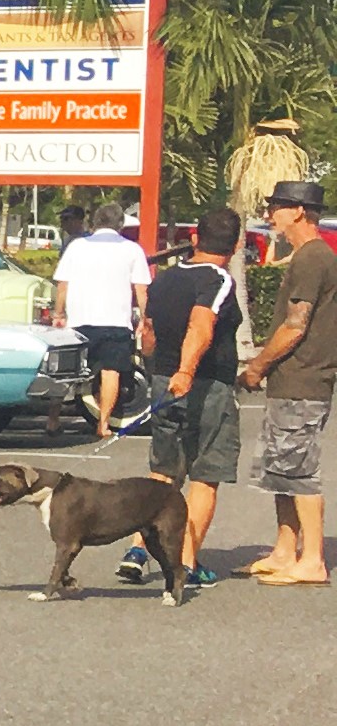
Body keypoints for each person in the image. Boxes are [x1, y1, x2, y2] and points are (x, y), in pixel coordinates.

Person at [130, 206, 247, 597]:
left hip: (162, 379)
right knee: (204, 474)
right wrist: (186, 371)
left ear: (195, 238)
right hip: (204, 383)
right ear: (233, 246)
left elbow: (146, 331)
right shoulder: (217, 279)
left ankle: (137, 549)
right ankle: (186, 561)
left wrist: (159, 370)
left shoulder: (164, 280)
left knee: (164, 471)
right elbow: (202, 324)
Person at [241, 177, 336, 584]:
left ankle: (312, 559)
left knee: (299, 471)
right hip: (291, 380)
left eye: (277, 207)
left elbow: (295, 325)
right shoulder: (303, 255)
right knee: (280, 468)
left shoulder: (313, 257)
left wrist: (258, 364)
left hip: (304, 379)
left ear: (298, 210)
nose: (270, 215)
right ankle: (285, 550)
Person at [52, 200, 150, 436]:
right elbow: (141, 289)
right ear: (120, 224)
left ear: (95, 222)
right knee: (111, 371)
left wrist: (58, 314)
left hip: (79, 320)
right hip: (116, 321)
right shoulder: (132, 249)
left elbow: (62, 284)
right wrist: (146, 319)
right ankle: (103, 423)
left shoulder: (77, 247)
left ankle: (52, 420)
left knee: (67, 371)